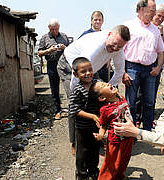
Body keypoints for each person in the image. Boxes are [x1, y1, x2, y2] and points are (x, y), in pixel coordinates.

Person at [58, 25, 130, 156]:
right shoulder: (94, 47)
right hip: (70, 67)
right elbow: (77, 77)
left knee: (97, 102)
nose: (115, 49)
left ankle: (94, 136)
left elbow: (119, 72)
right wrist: (79, 96)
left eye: (119, 47)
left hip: (90, 70)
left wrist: (107, 89)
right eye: (114, 44)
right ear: (109, 35)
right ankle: (74, 142)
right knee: (76, 105)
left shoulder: (118, 48)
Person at [122, 0, 164, 131]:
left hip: (150, 70)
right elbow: (119, 51)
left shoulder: (155, 30)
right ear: (141, 9)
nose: (154, 14)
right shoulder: (128, 26)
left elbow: (161, 51)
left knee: (150, 101)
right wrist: (123, 72)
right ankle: (131, 132)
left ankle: (147, 131)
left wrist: (158, 67)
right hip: (132, 68)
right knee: (131, 102)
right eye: (152, 11)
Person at [90, 81, 134, 180]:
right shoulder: (105, 109)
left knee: (124, 160)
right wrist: (101, 135)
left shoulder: (120, 97)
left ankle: (119, 177)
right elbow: (103, 125)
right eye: (103, 86)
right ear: (102, 98)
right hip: (116, 141)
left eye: (106, 83)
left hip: (129, 137)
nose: (108, 84)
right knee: (111, 164)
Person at [69, 57, 101, 180]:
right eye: (83, 71)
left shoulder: (97, 85)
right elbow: (74, 110)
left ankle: (93, 172)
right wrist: (93, 116)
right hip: (82, 128)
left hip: (95, 127)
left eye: (90, 70)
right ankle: (81, 174)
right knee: (82, 153)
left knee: (94, 151)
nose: (88, 73)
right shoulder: (77, 90)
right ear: (76, 74)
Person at [38, 18, 70, 120]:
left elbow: (71, 50)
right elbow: (39, 53)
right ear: (49, 28)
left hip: (64, 65)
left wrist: (64, 47)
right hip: (52, 65)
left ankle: (72, 108)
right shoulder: (44, 38)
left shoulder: (64, 36)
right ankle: (57, 110)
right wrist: (49, 50)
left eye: (56, 29)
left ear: (59, 27)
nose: (55, 31)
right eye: (52, 29)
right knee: (54, 89)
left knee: (68, 86)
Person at [79, 11, 113, 83]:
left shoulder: (105, 35)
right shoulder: (85, 35)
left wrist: (108, 60)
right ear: (91, 21)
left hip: (103, 69)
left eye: (100, 20)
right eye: (95, 20)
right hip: (91, 69)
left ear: (102, 21)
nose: (98, 22)